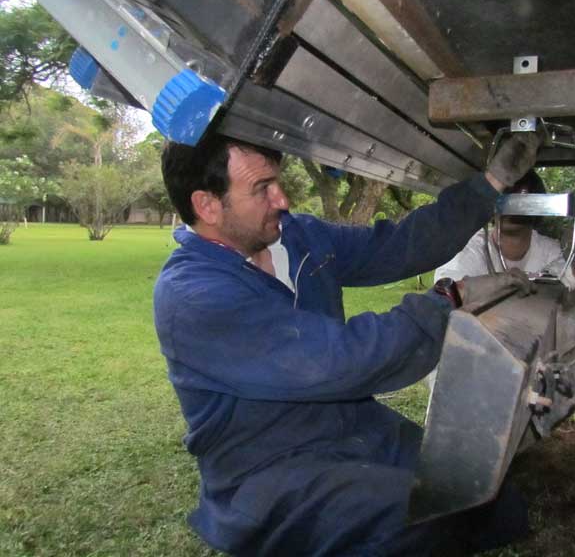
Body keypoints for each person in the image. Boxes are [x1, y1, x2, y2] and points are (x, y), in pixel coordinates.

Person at [153, 131, 542, 556]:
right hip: (269, 465)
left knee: (486, 496)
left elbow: (397, 246)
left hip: (353, 426)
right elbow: (338, 360)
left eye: (277, 181)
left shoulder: (297, 238)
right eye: (262, 189)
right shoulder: (192, 296)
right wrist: (449, 300)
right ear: (207, 205)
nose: (283, 200)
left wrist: (490, 185)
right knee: (417, 514)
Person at [435, 170, 575, 288]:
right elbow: (446, 290)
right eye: (507, 199)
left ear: (539, 208)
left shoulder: (549, 250)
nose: (514, 209)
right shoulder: (469, 250)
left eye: (524, 202)